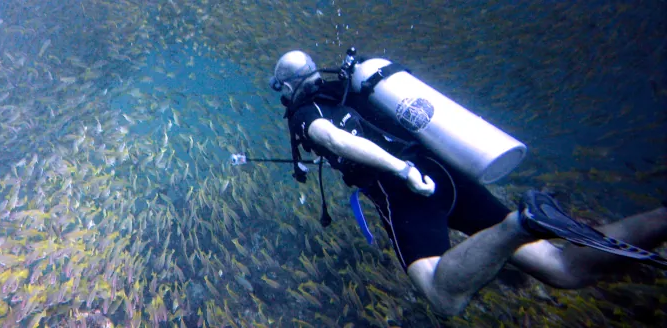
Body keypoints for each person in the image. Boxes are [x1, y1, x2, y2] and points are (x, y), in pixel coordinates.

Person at [270, 49, 667, 315]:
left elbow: (333, 138)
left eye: (280, 91)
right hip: (446, 171)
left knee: (443, 297)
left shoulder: (306, 112)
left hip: (408, 190)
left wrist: (400, 170)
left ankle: (522, 223)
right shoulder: (351, 87)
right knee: (564, 268)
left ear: (287, 88)